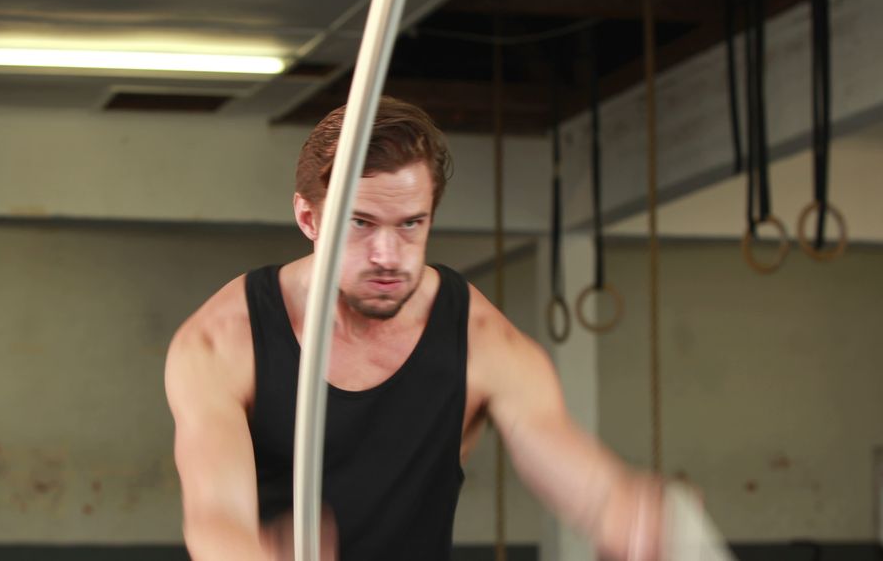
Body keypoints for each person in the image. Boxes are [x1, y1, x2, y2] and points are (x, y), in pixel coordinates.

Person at [165, 96, 664, 560]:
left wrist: (622, 511)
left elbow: (565, 458)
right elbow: (214, 516)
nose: (387, 255)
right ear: (308, 218)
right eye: (360, 223)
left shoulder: (480, 339)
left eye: (409, 224)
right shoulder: (223, 341)